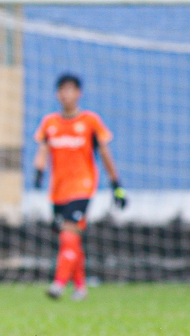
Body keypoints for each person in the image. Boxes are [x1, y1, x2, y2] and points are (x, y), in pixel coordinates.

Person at [34, 73, 127, 301]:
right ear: (58, 94)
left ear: (79, 93)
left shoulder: (90, 121)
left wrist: (116, 185)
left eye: (71, 90)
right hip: (58, 190)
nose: (66, 94)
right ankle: (81, 286)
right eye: (62, 90)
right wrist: (38, 172)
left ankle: (58, 284)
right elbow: (43, 150)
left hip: (83, 187)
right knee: (71, 238)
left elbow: (105, 153)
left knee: (68, 233)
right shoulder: (50, 123)